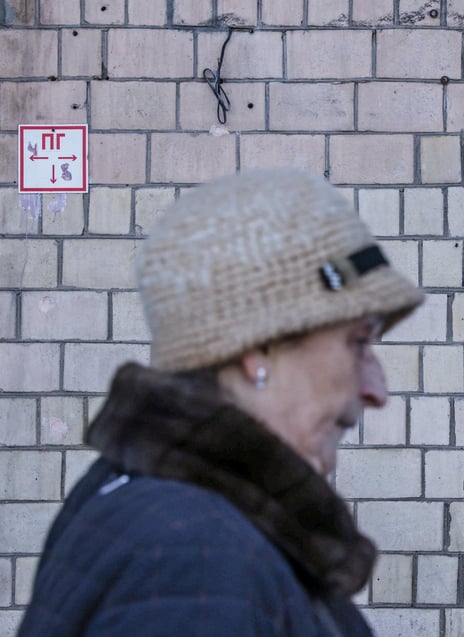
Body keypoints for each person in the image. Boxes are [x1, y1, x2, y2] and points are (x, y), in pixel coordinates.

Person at [17, 168, 424, 636]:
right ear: (258, 351)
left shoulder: (165, 511)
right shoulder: (194, 556)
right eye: (359, 342)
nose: (377, 389)